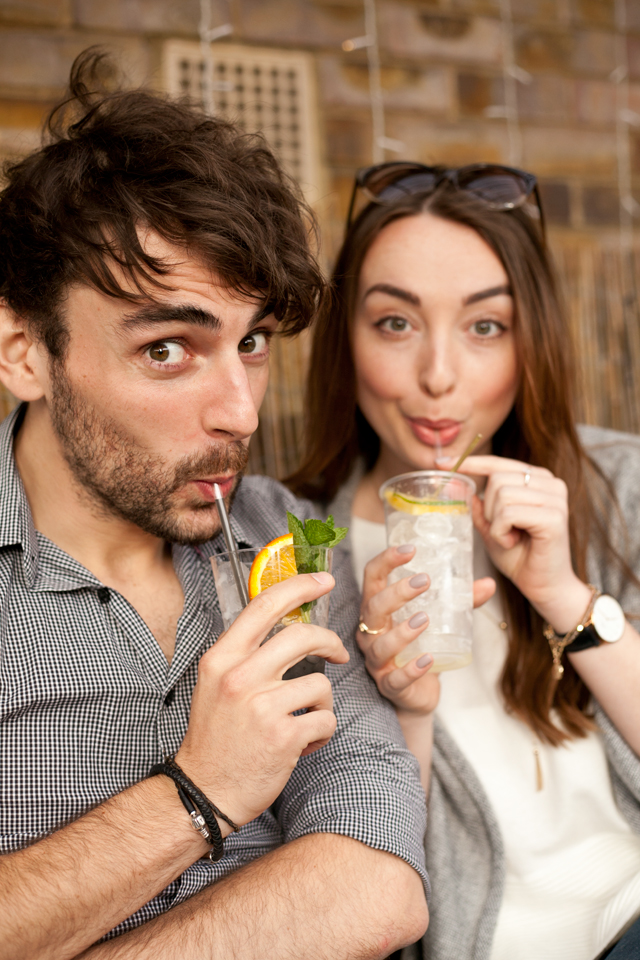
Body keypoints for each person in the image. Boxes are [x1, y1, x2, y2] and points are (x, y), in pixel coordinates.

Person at [0, 56, 430, 959]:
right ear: (23, 349)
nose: (241, 413)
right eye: (168, 349)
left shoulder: (285, 536)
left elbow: (378, 884)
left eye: (254, 342)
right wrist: (201, 793)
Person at [289, 162, 640, 960]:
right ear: (346, 341)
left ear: (531, 341)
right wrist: (407, 710)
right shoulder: (304, 555)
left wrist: (563, 594)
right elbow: (366, 892)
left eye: (485, 327)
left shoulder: (618, 484)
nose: (439, 376)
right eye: (396, 323)